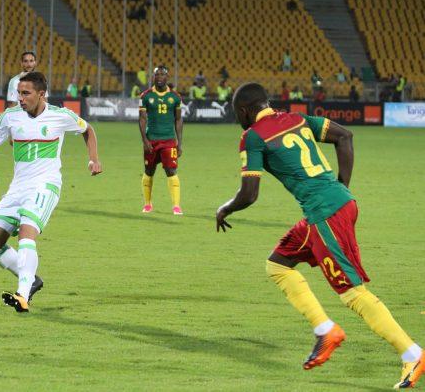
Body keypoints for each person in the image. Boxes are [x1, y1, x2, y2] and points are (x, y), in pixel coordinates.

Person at [216, 83, 424, 389]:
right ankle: (325, 330)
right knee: (278, 264)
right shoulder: (298, 119)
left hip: (325, 215)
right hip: (332, 207)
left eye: (237, 113)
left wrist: (225, 208)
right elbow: (344, 136)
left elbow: (249, 194)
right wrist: (341, 187)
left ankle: (412, 353)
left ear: (244, 110)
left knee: (352, 292)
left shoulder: (253, 137)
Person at [0, 71, 102, 313]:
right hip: (17, 188)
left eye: (26, 93)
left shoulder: (60, 116)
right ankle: (31, 279)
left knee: (26, 234)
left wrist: (93, 159)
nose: (20, 98)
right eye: (19, 93)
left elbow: (88, 130)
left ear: (41, 94)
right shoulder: (10, 116)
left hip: (45, 186)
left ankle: (23, 295)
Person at [139, 66, 183, 215]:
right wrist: (145, 141)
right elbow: (142, 119)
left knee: (171, 170)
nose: (159, 77)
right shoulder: (145, 96)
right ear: (153, 77)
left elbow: (178, 120)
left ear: (167, 77)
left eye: (162, 74)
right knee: (149, 171)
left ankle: (176, 206)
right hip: (151, 140)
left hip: (169, 140)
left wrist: (179, 143)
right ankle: (147, 204)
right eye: (156, 74)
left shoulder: (175, 97)